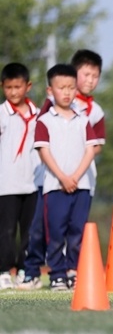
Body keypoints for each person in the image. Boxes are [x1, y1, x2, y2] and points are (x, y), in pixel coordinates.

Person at [19, 50, 106, 290]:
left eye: (95, 76)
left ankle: (69, 272)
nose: (89, 80)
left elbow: (95, 145)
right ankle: (32, 271)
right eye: (85, 74)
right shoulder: (54, 104)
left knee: (74, 229)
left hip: (81, 179)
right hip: (51, 178)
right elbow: (45, 138)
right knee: (41, 228)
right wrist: (62, 174)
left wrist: (76, 172)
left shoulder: (93, 112)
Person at [0, 63, 39, 290]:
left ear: (28, 86)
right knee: (5, 231)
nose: (14, 92)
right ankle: (4, 270)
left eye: (18, 87)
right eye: (8, 88)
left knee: (29, 232)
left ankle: (25, 270)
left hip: (33, 183)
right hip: (5, 184)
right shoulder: (2, 114)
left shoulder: (39, 115)